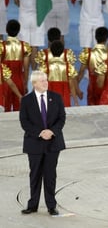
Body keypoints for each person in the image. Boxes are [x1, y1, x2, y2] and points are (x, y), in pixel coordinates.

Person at [19, 70, 66, 216]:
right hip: (34, 143)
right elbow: (24, 122)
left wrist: (51, 131)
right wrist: (40, 133)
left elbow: (61, 118)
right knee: (35, 175)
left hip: (53, 143)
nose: (46, 83)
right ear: (34, 84)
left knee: (50, 174)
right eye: (42, 81)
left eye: (46, 80)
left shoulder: (56, 98)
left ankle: (51, 205)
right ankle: (32, 205)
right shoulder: (26, 101)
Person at [14, 0, 45, 69]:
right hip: (36, 19)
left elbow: (16, 2)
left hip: (23, 19)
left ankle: (25, 74)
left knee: (25, 47)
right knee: (35, 46)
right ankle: (34, 72)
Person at [1, 20, 31, 111]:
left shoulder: (1, 46)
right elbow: (26, 68)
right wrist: (25, 83)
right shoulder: (25, 46)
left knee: (4, 111)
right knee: (20, 111)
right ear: (19, 31)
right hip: (19, 80)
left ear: (6, 30)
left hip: (5, 81)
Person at [78, 26, 108, 105]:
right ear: (107, 39)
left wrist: (75, 89)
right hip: (107, 90)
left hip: (92, 90)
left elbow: (81, 73)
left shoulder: (88, 53)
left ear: (95, 37)